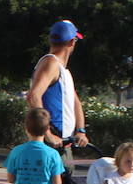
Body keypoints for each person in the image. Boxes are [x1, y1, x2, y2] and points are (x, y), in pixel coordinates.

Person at [28, 20, 90, 164]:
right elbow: (33, 96)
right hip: (51, 144)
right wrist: (47, 134)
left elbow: (75, 103)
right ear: (72, 42)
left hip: (62, 143)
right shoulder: (51, 63)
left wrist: (80, 131)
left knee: (64, 176)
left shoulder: (63, 70)